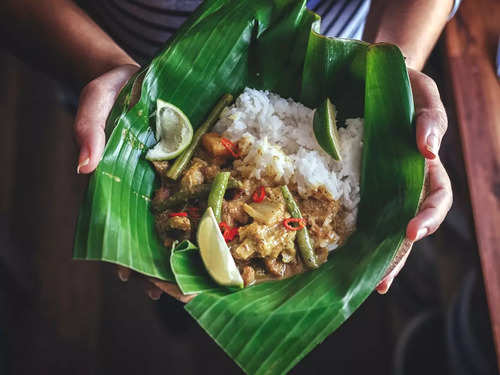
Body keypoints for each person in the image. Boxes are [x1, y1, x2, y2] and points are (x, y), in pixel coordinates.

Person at [0, 0, 454, 300]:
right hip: (125, 63)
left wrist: (389, 76)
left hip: (334, 59)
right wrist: (104, 64)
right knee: (167, 295)